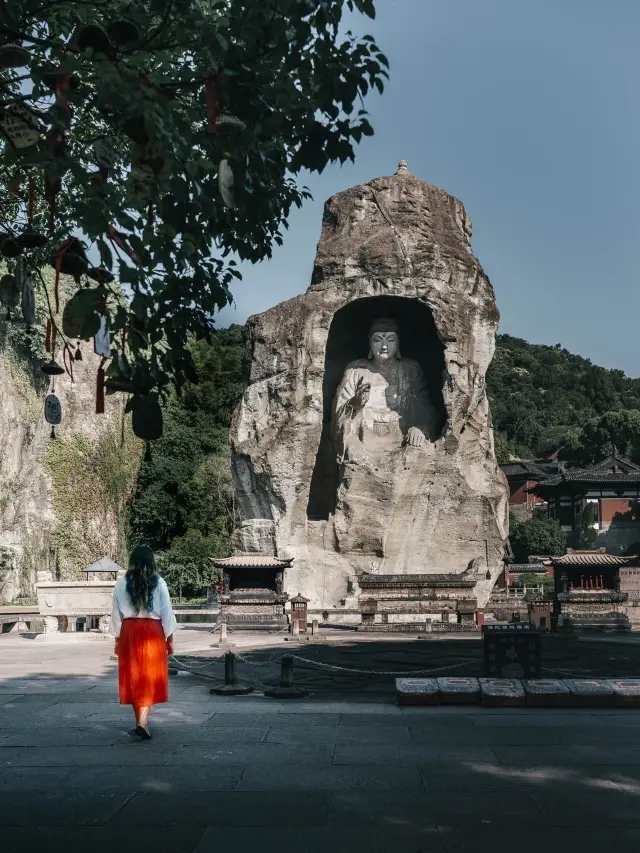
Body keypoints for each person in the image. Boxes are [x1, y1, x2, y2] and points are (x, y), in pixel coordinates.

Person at [332, 316, 439, 466]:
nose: (384, 346)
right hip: (363, 436)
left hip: (401, 436)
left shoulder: (410, 369)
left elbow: (423, 407)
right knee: (354, 455)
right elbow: (338, 414)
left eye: (390, 340)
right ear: (369, 343)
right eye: (377, 340)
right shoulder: (355, 370)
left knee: (418, 454)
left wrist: (421, 428)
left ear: (398, 343)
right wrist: (356, 403)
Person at [110, 545, 177, 739]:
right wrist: (169, 639)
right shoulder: (159, 583)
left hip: (129, 631)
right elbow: (166, 612)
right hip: (152, 632)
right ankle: (143, 722)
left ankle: (139, 722)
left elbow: (115, 614)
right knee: (148, 676)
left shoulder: (120, 583)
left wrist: (117, 639)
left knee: (133, 677)